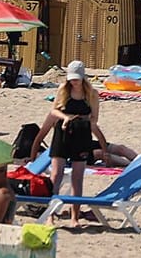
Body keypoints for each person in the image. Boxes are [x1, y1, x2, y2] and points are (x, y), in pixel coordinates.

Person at [31, 61, 101, 223]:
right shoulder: (63, 90)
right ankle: (51, 215)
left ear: (83, 77)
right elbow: (54, 110)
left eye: (76, 79)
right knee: (56, 175)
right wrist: (66, 118)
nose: (73, 82)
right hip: (62, 134)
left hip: (82, 134)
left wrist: (79, 119)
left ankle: (74, 216)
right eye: (71, 79)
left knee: (77, 177)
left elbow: (95, 118)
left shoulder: (91, 94)